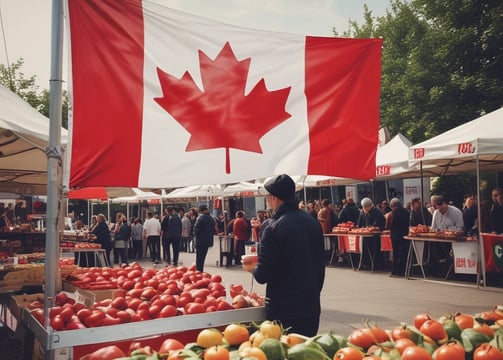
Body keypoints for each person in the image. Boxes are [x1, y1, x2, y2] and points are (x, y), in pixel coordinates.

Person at [243, 174, 325, 337]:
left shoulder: (272, 227)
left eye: (267, 196)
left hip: (284, 309)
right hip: (311, 304)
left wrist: (252, 268)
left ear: (274, 198)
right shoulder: (312, 222)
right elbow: (319, 263)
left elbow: (263, 275)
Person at [357, 197, 386, 270]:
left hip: (375, 236)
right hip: (366, 235)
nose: (364, 209)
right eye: (363, 207)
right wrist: (362, 228)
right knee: (365, 249)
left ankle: (375, 264)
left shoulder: (377, 212)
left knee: (375, 250)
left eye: (366, 207)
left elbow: (381, 224)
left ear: (370, 206)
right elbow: (360, 224)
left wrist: (374, 227)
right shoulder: (362, 212)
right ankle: (366, 263)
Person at [386, 198, 410, 277]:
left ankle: (394, 270)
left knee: (395, 253)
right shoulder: (406, 212)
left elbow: (388, 225)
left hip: (395, 235)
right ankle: (402, 271)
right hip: (404, 235)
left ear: (392, 205)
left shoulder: (392, 213)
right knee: (403, 253)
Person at [194, 204, 216, 271]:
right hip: (208, 241)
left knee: (199, 258)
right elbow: (213, 229)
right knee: (203, 256)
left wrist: (195, 237)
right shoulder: (211, 218)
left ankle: (199, 271)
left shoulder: (200, 218)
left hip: (200, 241)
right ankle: (200, 270)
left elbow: (197, 229)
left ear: (201, 211)